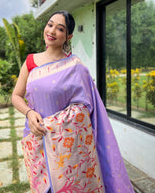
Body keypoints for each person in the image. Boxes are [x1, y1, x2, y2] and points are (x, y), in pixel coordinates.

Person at [12, 10, 134, 193]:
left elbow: (85, 109)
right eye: (50, 25)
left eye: (59, 28)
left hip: (68, 147)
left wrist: (56, 124)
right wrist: (29, 113)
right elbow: (16, 96)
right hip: (36, 139)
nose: (52, 31)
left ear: (68, 36)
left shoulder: (75, 67)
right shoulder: (30, 61)